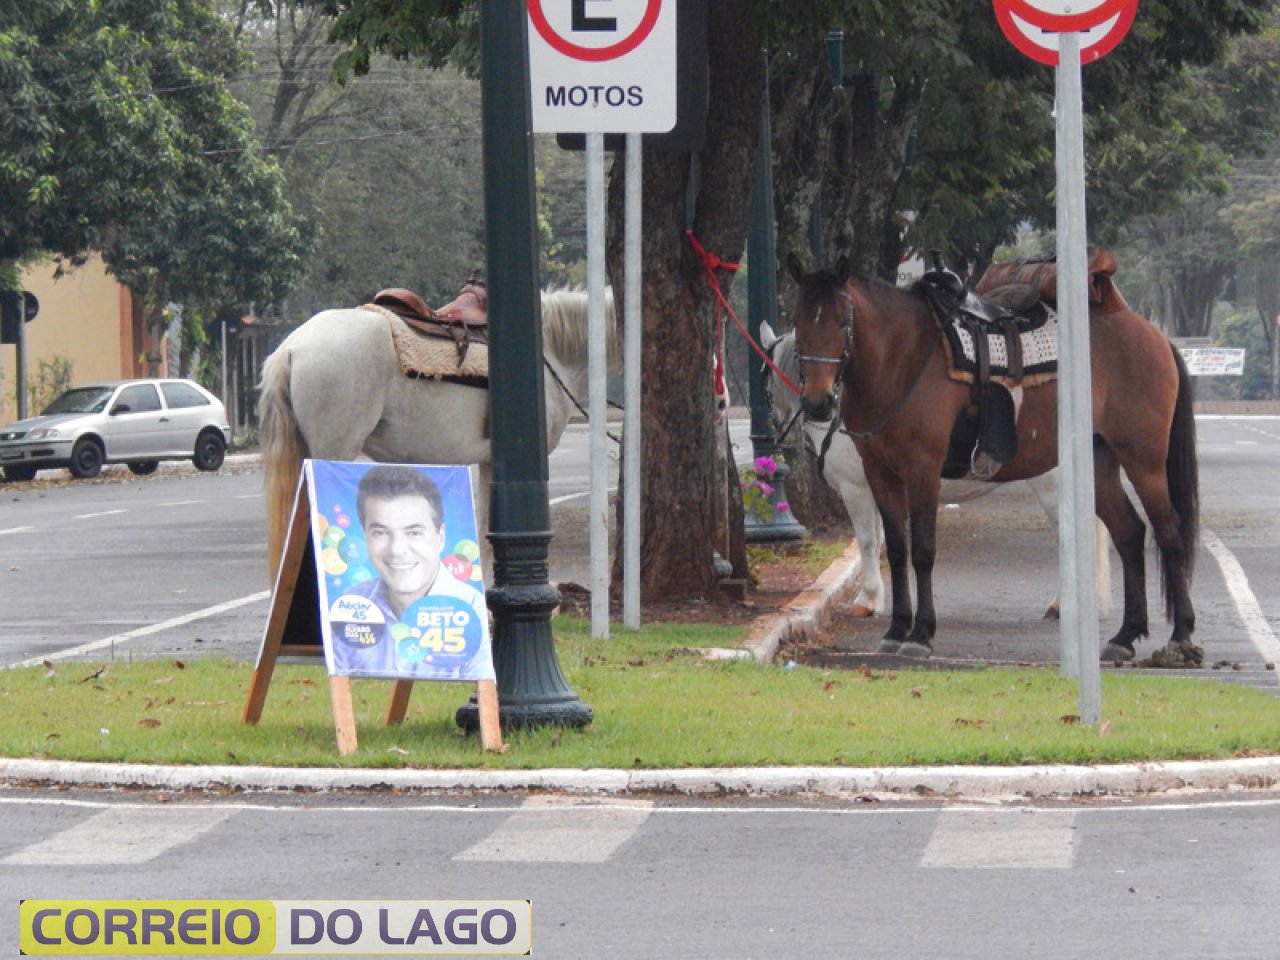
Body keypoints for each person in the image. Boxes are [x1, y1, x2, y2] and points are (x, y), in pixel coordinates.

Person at [327, 464, 492, 680]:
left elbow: (481, 684)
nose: (397, 550)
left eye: (414, 532)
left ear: (440, 537)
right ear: (364, 536)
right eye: (380, 532)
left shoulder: (471, 607)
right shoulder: (349, 605)